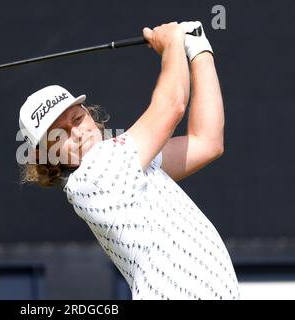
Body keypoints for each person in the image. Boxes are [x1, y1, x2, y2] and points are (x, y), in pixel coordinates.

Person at [18, 21, 240, 300]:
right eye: (59, 135)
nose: (77, 132)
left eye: (77, 118)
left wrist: (198, 50)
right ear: (46, 156)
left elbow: (206, 142)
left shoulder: (127, 165)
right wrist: (172, 42)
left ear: (89, 113)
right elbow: (172, 106)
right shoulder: (94, 175)